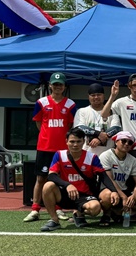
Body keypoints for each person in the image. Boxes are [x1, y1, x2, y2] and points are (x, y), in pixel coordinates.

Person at [39, 128, 119, 232]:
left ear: (84, 142)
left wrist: (114, 191)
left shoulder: (92, 157)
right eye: (72, 141)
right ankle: (54, 220)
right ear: (66, 141)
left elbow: (103, 175)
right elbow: (51, 176)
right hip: (66, 194)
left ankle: (78, 213)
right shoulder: (59, 155)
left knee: (95, 209)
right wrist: (67, 185)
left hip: (85, 196)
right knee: (47, 185)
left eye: (78, 141)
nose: (75, 145)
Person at [24, 72, 77, 223]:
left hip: (62, 150)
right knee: (41, 178)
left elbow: (69, 125)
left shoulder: (70, 104)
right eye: (55, 84)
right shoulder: (41, 102)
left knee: (60, 180)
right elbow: (39, 123)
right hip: (45, 147)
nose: (58, 87)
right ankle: (35, 209)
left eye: (60, 84)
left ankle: (58, 208)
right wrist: (48, 136)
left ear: (64, 86)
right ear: (50, 86)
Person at [98, 131, 136, 226]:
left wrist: (133, 195)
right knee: (107, 196)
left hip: (124, 190)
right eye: (123, 141)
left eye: (130, 142)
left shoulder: (133, 160)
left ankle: (118, 212)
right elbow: (110, 180)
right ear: (116, 142)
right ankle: (106, 214)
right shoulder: (106, 156)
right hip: (108, 188)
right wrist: (124, 197)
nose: (126, 144)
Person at [73, 83, 121, 155]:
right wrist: (98, 134)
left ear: (103, 96)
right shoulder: (82, 111)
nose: (96, 97)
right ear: (88, 97)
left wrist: (99, 139)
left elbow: (117, 128)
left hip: (107, 155)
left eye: (99, 94)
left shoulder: (112, 110)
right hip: (87, 154)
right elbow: (79, 127)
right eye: (93, 95)